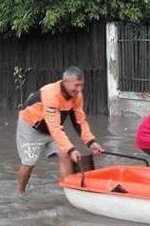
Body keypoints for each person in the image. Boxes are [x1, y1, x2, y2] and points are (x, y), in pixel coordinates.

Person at [16, 66, 105, 194]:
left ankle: (70, 193)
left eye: (82, 85)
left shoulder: (77, 95)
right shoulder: (50, 94)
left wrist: (91, 142)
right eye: (76, 85)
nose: (79, 89)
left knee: (65, 154)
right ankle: (20, 193)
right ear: (65, 82)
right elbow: (55, 128)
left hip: (52, 127)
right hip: (31, 127)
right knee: (29, 162)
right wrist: (72, 149)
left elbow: (79, 121)